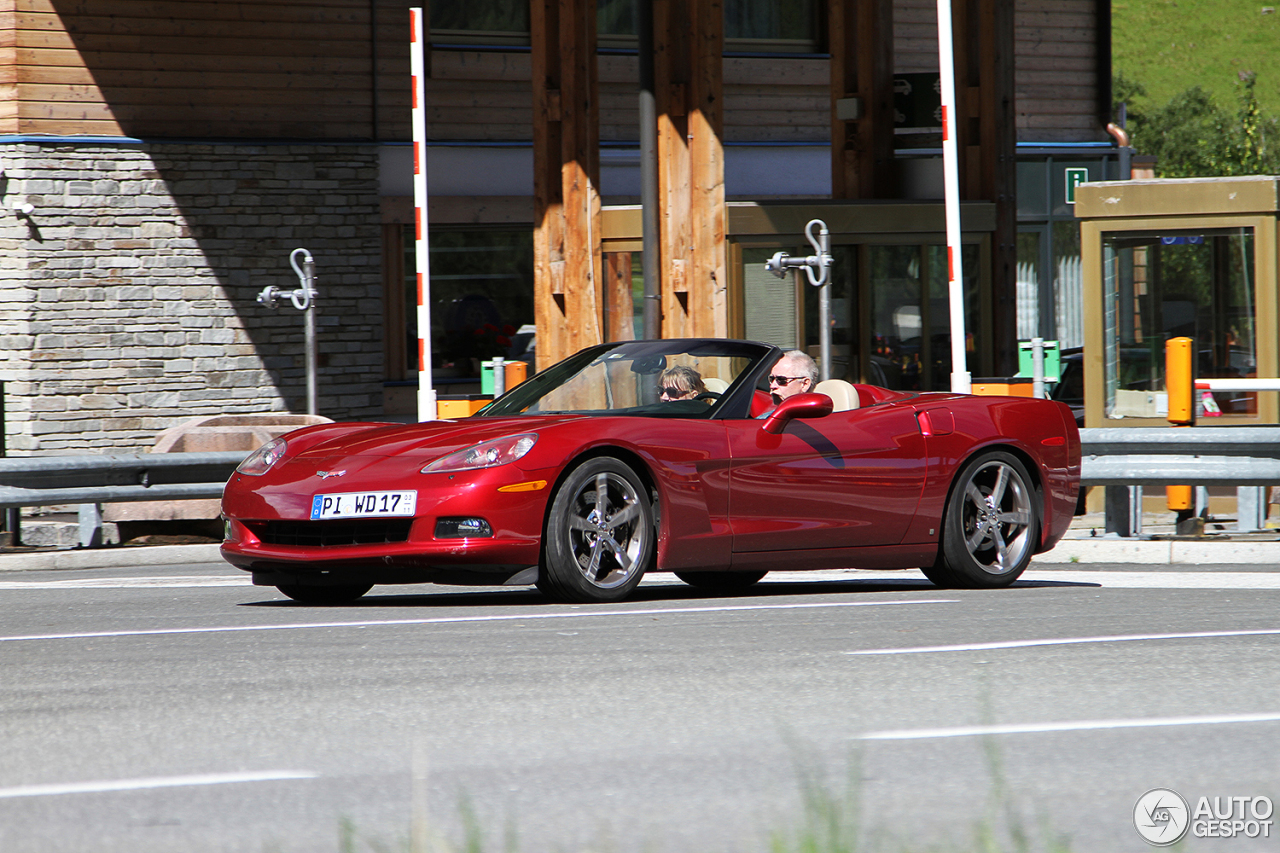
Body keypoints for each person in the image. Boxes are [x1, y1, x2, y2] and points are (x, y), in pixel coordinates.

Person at [759, 350, 818, 416]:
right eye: (771, 379)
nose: (772, 386)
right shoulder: (763, 420)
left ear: (804, 384)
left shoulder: (825, 422)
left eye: (781, 380)